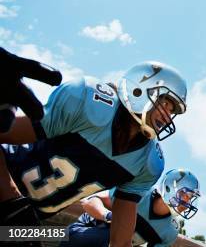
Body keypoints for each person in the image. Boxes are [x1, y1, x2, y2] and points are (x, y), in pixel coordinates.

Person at [0, 61, 188, 247]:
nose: (167, 116)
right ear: (139, 89)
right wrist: (13, 201)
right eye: (165, 104)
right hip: (9, 185)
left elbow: (120, 242)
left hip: (29, 219)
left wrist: (18, 214)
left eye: (172, 112)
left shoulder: (147, 162)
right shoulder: (89, 102)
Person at [63, 168, 200, 247]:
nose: (187, 202)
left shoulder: (169, 231)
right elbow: (88, 201)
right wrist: (110, 216)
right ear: (169, 186)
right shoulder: (139, 192)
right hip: (78, 232)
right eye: (185, 194)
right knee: (116, 238)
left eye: (191, 198)